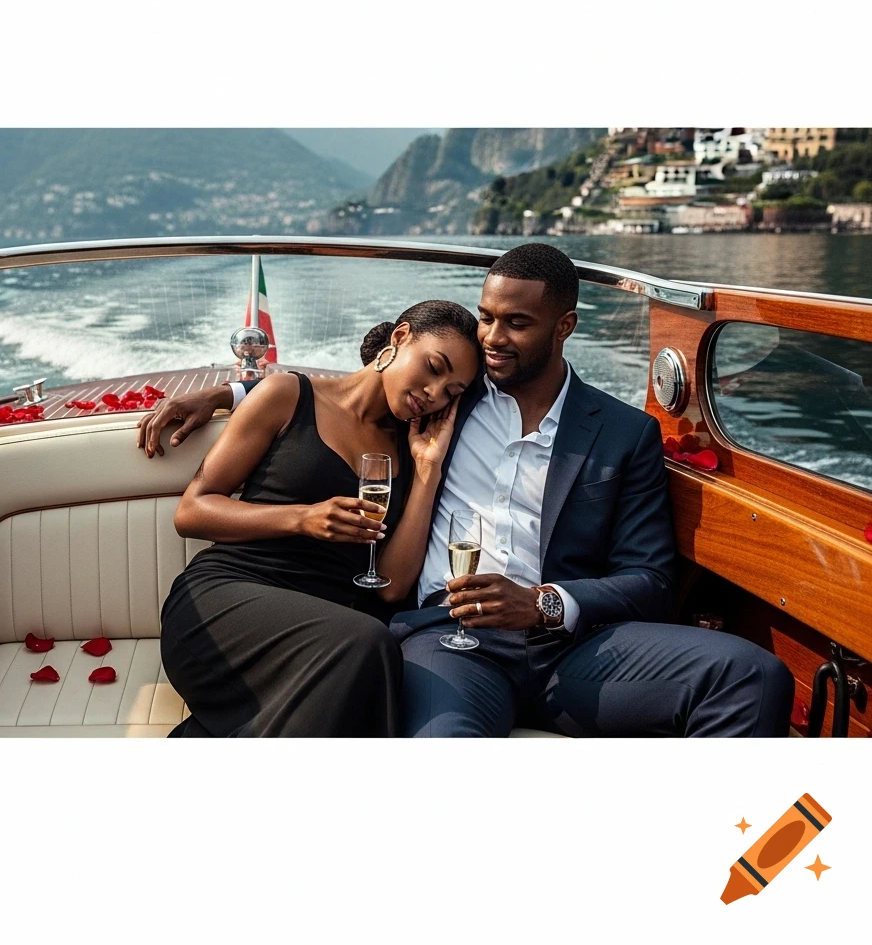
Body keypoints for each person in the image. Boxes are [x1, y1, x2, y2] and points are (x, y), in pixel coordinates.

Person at [142, 244, 795, 738]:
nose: (492, 337)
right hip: (449, 641)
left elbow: (649, 579)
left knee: (754, 675)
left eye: (516, 322)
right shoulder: (446, 394)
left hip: (575, 647)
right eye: (486, 317)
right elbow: (355, 388)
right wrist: (226, 391)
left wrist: (543, 603)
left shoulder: (623, 433)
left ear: (563, 327)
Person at [157, 300, 481, 736]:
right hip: (230, 599)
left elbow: (392, 587)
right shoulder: (287, 395)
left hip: (329, 632)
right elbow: (192, 510)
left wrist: (427, 473)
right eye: (433, 367)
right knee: (366, 644)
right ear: (400, 338)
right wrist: (302, 518)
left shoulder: (413, 447)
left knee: (365, 645)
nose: (434, 393)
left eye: (452, 391)